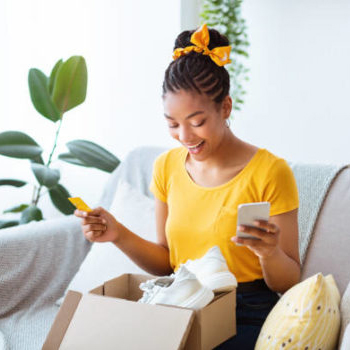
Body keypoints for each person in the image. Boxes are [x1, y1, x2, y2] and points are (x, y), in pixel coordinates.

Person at [74, 23, 300, 349]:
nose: (185, 136)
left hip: (245, 309)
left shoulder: (270, 172)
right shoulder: (166, 167)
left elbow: (289, 280)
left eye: (197, 122)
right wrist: (117, 234)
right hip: (180, 301)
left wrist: (269, 252)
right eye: (172, 124)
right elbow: (167, 262)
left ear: (225, 108)